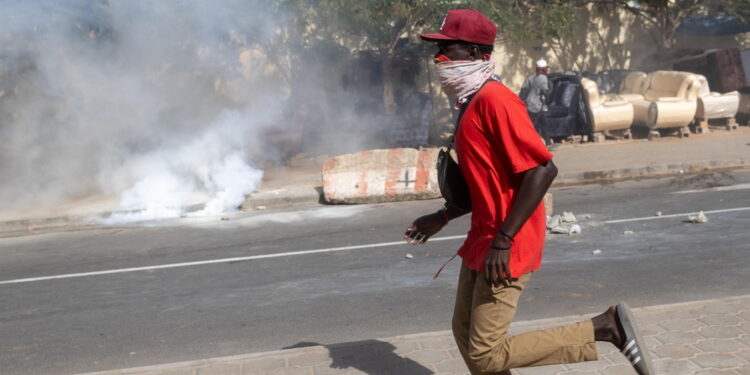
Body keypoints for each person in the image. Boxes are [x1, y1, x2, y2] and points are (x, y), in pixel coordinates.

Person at [404, 9, 654, 375]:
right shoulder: (470, 102)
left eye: (447, 49)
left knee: (486, 353)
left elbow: (542, 169)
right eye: (437, 49)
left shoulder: (496, 101)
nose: (438, 58)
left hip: (507, 240)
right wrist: (443, 216)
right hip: (483, 236)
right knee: (464, 332)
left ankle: (605, 327)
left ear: (474, 53)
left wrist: (504, 239)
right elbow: (484, 182)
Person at [520, 58, 551, 146]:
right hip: (536, 105)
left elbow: (523, 90)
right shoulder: (543, 78)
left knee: (543, 123)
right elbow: (545, 90)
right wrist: (548, 98)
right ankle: (529, 143)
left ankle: (547, 142)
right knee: (533, 126)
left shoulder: (530, 78)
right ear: (544, 68)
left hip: (529, 104)